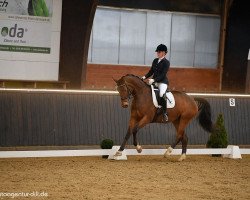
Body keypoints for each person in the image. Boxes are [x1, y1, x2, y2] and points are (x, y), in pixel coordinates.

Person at [141, 44, 170, 122]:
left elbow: (163, 75)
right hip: (154, 81)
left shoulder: (166, 62)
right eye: (157, 51)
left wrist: (153, 80)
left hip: (162, 82)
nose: (157, 53)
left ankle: (165, 113)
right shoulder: (155, 60)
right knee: (146, 91)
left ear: (164, 53)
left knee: (161, 94)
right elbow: (151, 71)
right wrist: (144, 77)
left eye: (159, 52)